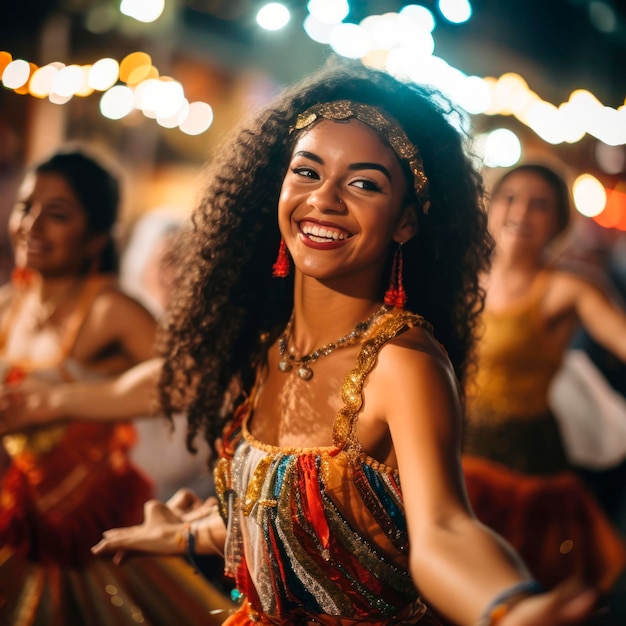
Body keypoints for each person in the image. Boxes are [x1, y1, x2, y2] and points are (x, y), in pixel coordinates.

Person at [1, 63, 598, 625]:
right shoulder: (263, 352)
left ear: (408, 221)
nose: (325, 199)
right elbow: (170, 385)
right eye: (307, 172)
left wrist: (507, 608)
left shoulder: (402, 364)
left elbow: (443, 528)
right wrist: (197, 530)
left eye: (363, 183)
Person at [0, 148, 231, 625]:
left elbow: (190, 379)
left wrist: (61, 404)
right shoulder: (8, 306)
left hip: (96, 528)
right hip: (21, 520)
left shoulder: (110, 310)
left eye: (57, 215)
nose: (32, 225)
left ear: (96, 237)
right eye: (26, 208)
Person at [461, 164, 626, 619]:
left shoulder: (563, 288)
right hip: (452, 457)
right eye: (510, 198)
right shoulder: (457, 281)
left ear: (557, 222)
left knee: (524, 592)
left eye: (540, 204)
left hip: (527, 470)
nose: (521, 212)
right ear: (491, 208)